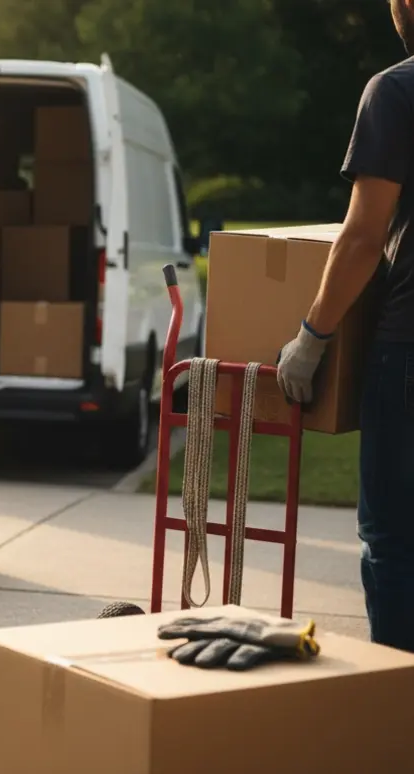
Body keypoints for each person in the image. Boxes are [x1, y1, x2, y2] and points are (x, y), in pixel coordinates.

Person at [276, 0, 414, 653]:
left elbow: (362, 236)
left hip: (409, 350)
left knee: (394, 541)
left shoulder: (395, 90)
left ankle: (396, 720)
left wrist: (312, 337)